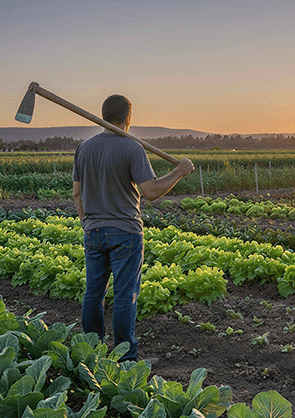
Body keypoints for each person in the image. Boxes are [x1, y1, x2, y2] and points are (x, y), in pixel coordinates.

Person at [72, 94, 194, 362]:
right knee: (125, 295)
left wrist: (87, 222)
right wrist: (179, 172)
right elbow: (150, 191)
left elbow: (77, 195)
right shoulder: (132, 148)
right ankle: (126, 359)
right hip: (125, 232)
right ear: (129, 117)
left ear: (102, 115)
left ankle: (92, 351)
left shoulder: (83, 148)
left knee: (94, 292)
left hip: (93, 231)